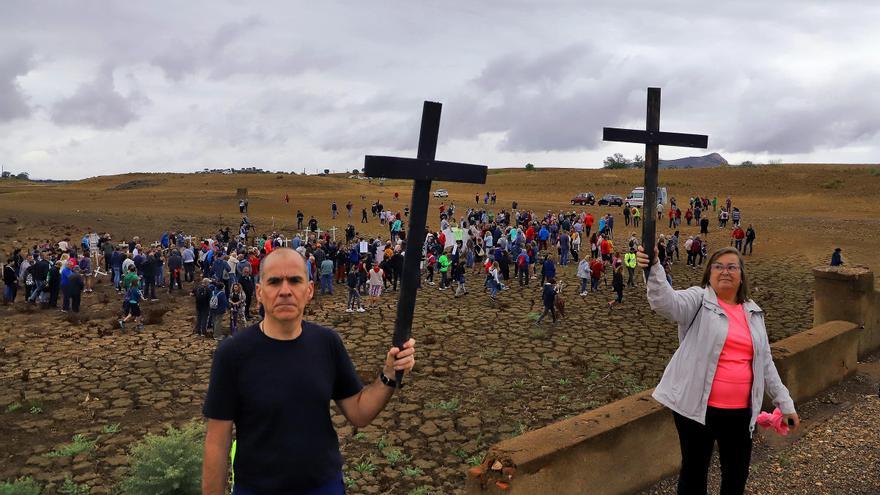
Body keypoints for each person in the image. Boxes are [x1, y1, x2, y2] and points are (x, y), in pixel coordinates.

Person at [201, 248, 415, 495]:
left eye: (294, 280)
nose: (285, 290)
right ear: (259, 293)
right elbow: (217, 442)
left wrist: (389, 373)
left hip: (323, 486)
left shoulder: (327, 343)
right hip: (257, 488)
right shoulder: (232, 353)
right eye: (274, 281)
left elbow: (359, 413)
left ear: (309, 290)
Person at [636, 246, 799, 495]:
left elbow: (765, 362)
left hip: (741, 412)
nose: (725, 271)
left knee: (736, 474)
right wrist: (654, 266)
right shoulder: (698, 300)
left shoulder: (753, 313)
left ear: (741, 276)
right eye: (718, 266)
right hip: (696, 410)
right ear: (709, 274)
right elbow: (665, 302)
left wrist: (785, 404)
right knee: (694, 473)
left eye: (732, 266)